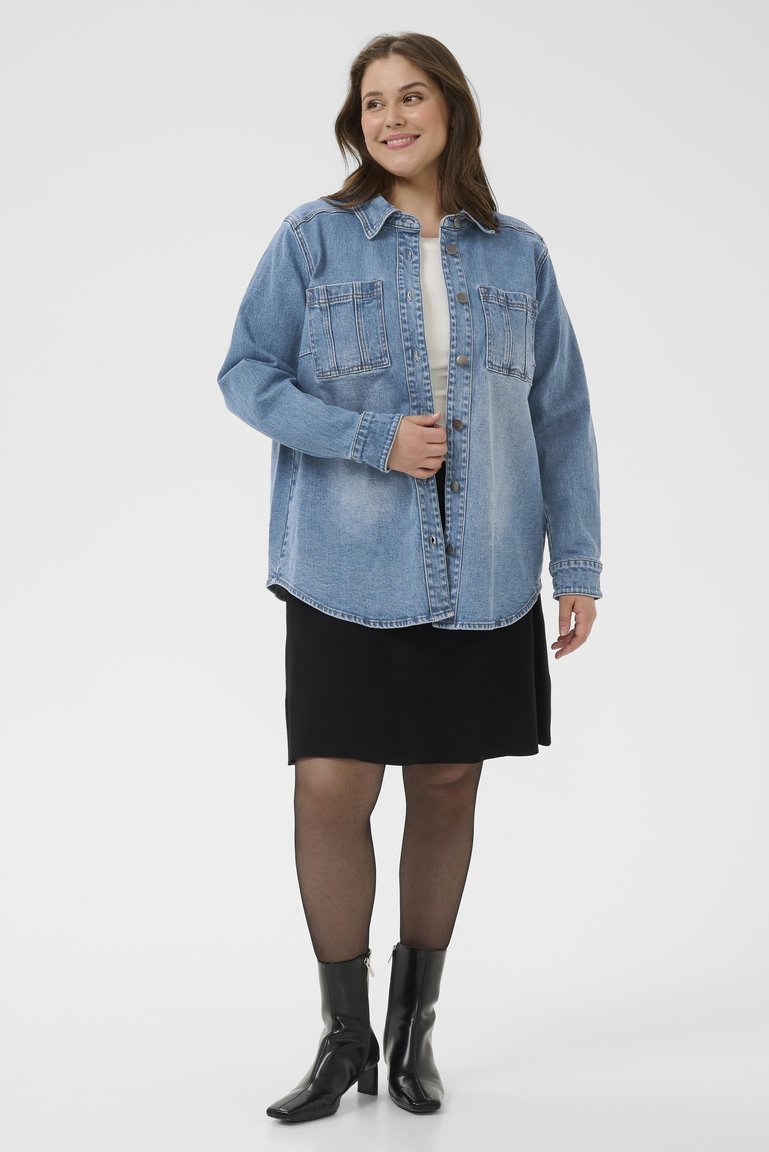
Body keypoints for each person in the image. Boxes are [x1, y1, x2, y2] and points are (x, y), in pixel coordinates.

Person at [216, 31, 602, 1123]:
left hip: (487, 566)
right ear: (357, 123)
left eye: (411, 96)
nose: (391, 118)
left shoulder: (519, 256)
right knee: (330, 788)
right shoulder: (313, 239)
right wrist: (368, 438)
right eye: (373, 102)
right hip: (343, 565)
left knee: (444, 785)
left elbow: (561, 416)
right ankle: (343, 1040)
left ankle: (412, 1030)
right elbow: (245, 373)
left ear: (450, 110)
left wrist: (576, 564)